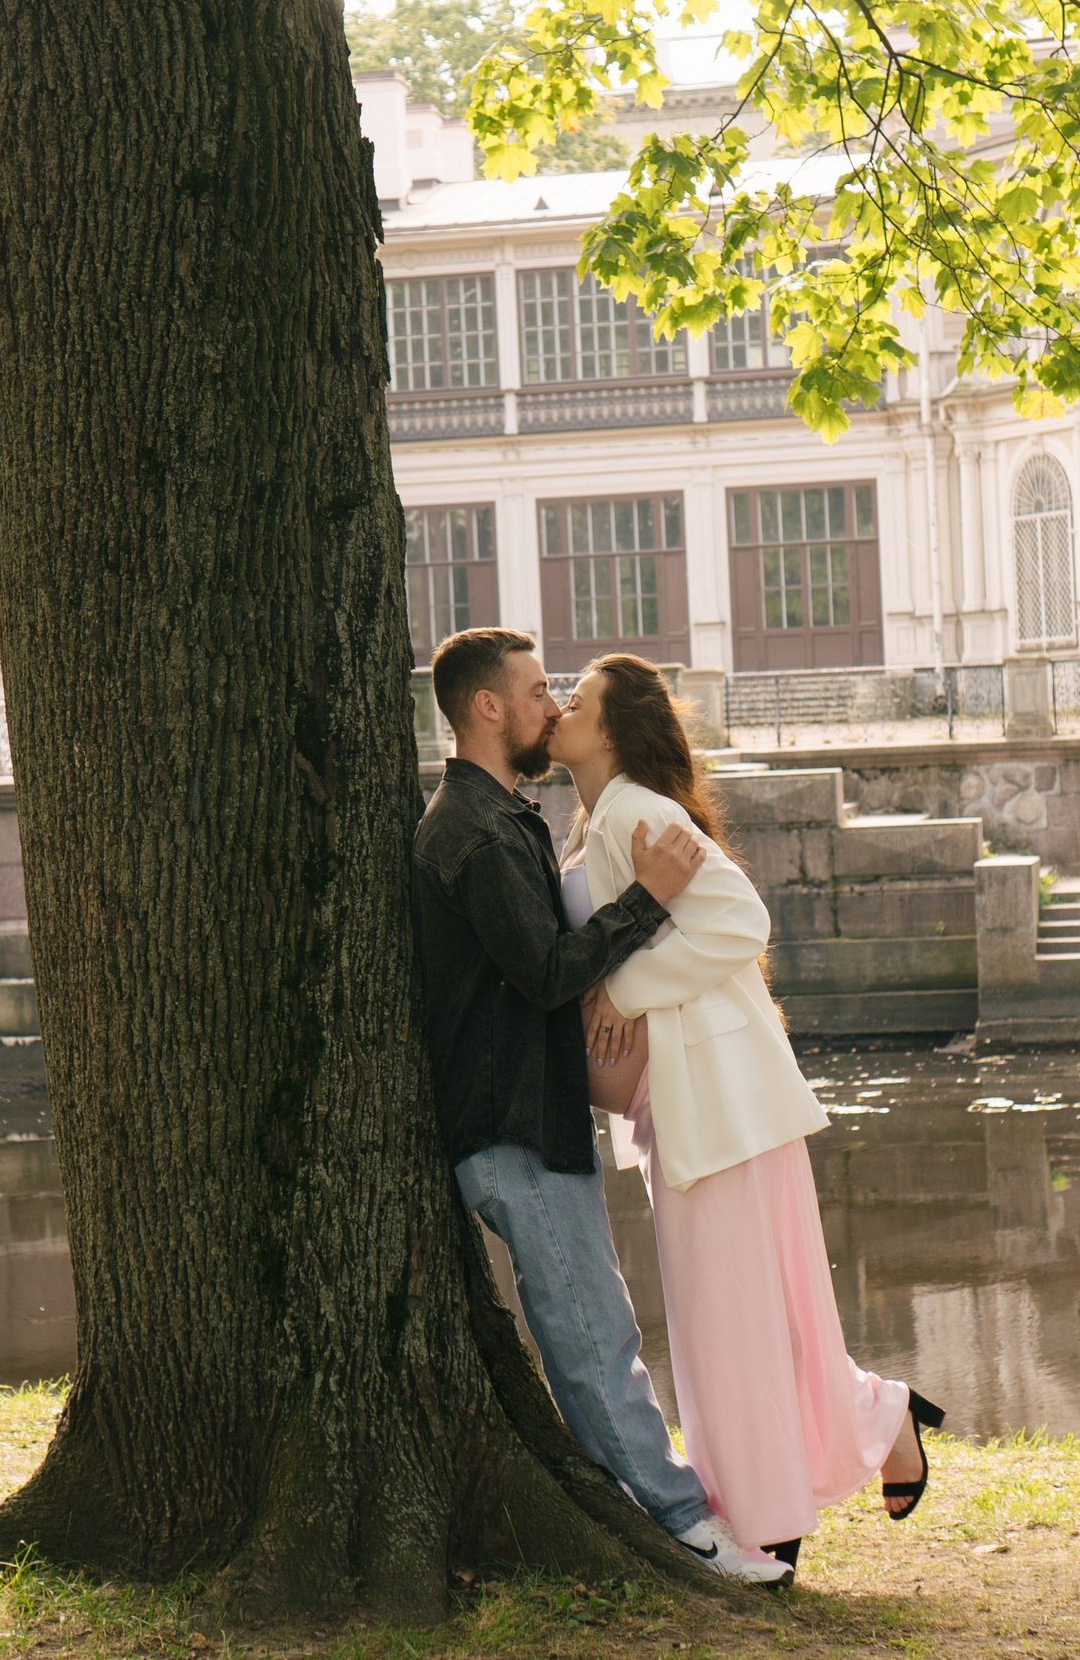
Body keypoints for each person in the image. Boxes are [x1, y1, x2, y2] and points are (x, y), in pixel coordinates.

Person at [550, 654, 945, 1581]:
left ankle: (766, 1515)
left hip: (715, 1096)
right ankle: (871, 1426)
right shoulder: (601, 821)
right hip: (688, 1099)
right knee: (751, 1314)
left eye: (578, 699)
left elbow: (740, 919)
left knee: (727, 1323)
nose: (562, 707)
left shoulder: (639, 810)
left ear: (613, 730)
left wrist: (624, 992)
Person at [411, 628, 790, 1588]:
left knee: (593, 1325)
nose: (552, 706)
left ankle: (651, 1509)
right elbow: (545, 971)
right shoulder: (475, 830)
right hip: (511, 1127)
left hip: (532, 1120)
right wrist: (648, 900)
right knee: (593, 1335)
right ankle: (685, 1526)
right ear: (488, 707)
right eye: (538, 690)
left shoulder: (504, 819)